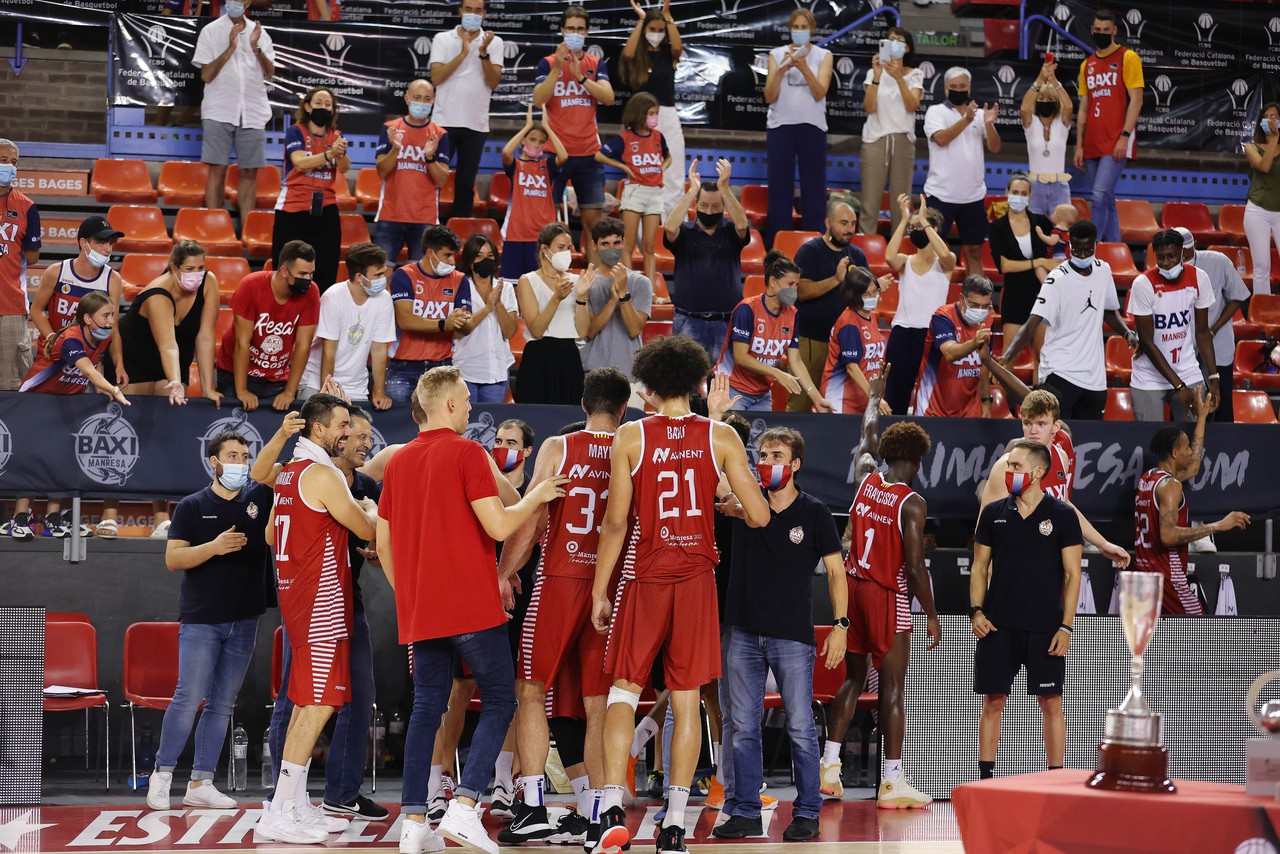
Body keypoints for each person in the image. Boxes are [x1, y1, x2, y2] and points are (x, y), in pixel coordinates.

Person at [590, 334, 770, 854]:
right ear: (696, 382)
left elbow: (615, 522)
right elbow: (759, 515)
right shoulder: (721, 438)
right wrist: (729, 502)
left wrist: (601, 590)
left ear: (646, 384)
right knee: (687, 702)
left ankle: (611, 809)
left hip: (644, 576)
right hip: (695, 580)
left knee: (624, 692)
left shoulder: (630, 436)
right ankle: (673, 824)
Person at [378, 367, 565, 854]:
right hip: (470, 605)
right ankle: (464, 807)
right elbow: (500, 526)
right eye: (464, 399)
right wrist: (538, 497)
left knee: (426, 710)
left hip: (422, 611)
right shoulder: (467, 451)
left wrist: (409, 595)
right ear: (450, 405)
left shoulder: (397, 462)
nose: (468, 407)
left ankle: (414, 822)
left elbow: (383, 544)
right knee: (502, 699)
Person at [495, 368, 632, 846]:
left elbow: (531, 523)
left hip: (559, 580)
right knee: (598, 705)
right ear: (622, 410)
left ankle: (531, 805)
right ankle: (597, 812)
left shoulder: (559, 448)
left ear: (583, 406)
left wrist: (504, 573)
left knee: (530, 691)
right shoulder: (631, 449)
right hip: (608, 588)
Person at [712, 427, 846, 840]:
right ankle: (747, 810)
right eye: (763, 455)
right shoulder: (743, 502)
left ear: (795, 465)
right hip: (742, 631)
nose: (767, 462)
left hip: (791, 634)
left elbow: (837, 573)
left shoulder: (815, 512)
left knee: (802, 726)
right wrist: (715, 420)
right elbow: (718, 484)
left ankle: (807, 811)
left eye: (776, 455)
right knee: (742, 726)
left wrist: (840, 626)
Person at [258, 405, 390, 822]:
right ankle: (282, 810)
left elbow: (268, 532)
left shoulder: (288, 473)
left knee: (305, 705)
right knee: (316, 706)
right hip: (322, 601)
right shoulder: (321, 474)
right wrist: (368, 510)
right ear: (320, 429)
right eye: (344, 426)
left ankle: (293, 803)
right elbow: (368, 530)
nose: (350, 433)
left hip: (299, 598)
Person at [819, 367, 940, 807]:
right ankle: (892, 782)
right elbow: (914, 566)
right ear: (919, 460)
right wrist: (930, 612)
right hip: (887, 595)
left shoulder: (866, 474)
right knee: (891, 690)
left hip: (853, 589)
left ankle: (829, 769)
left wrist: (874, 396)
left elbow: (867, 432)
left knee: (852, 679)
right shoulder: (912, 502)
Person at [145, 431, 271, 813]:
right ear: (214, 462)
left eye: (246, 455)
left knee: (222, 704)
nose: (240, 462)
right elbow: (173, 560)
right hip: (202, 618)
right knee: (188, 697)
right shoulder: (192, 505)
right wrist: (213, 547)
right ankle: (162, 774)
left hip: (245, 618)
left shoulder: (258, 499)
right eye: (232, 455)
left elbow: (279, 468)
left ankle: (201, 782)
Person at [970, 440, 1082, 780]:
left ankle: (1055, 779)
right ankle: (986, 779)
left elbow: (1073, 573)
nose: (1008, 472)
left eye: (1015, 467)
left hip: (1045, 628)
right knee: (993, 702)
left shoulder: (1062, 516)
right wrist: (976, 611)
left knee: (1051, 702)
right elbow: (978, 567)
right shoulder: (992, 514)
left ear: (1037, 473)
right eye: (1008, 466)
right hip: (998, 625)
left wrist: (1065, 627)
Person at [977, 376, 1133, 567]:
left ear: (1056, 427)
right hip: (1015, 566)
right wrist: (988, 582)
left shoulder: (1061, 457)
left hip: (1049, 562)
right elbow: (985, 530)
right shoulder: (1009, 466)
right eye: (1027, 423)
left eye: (1041, 424)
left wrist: (1102, 544)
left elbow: (1065, 505)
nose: (1033, 431)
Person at [1000, 220, 1137, 420]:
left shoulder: (1103, 270)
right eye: (1077, 250)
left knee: (1089, 444)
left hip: (1094, 378)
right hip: (1060, 372)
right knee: (1055, 440)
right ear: (1070, 245)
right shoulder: (1056, 279)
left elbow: (1108, 311)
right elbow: (1031, 324)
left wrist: (1126, 333)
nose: (1082, 255)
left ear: (1096, 246)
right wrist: (1008, 356)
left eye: (1087, 250)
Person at [1137, 396, 1250, 616]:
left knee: (1152, 645)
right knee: (1198, 637)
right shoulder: (1170, 486)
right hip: (1168, 579)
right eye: (1187, 447)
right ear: (1174, 452)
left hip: (1144, 576)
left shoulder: (1148, 478)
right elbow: (1168, 537)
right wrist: (1218, 526)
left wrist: (1202, 419)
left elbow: (1195, 466)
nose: (1190, 452)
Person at [533, 5, 615, 266]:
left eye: (580, 29)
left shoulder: (595, 63)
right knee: (547, 225)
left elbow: (608, 97)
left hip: (590, 152)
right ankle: (546, 280)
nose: (575, 33)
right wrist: (558, 68)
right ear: (562, 30)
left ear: (587, 32)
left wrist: (581, 78)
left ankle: (593, 283)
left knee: (595, 226)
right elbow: (538, 100)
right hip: (554, 152)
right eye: (570, 29)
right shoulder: (547, 63)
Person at [716, 250, 833, 413]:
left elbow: (796, 360)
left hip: (762, 394)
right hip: (732, 389)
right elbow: (741, 357)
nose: (794, 290)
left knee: (763, 439)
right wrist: (776, 373)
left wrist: (817, 398)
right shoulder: (747, 309)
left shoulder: (793, 314)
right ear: (773, 281)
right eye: (790, 284)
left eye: (797, 285)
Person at [111, 239, 220, 409]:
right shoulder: (157, 295)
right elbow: (167, 345)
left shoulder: (208, 282)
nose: (197, 274)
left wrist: (208, 388)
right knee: (132, 417)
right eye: (189, 269)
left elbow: (205, 337)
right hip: (135, 355)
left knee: (171, 413)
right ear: (174, 267)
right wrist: (174, 380)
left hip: (177, 356)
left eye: (201, 268)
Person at [192, 0, 274, 224]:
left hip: (253, 111)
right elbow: (206, 76)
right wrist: (230, 47)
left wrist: (255, 47)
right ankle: (214, 225)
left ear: (247, 2)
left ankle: (248, 229)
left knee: (249, 172)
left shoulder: (260, 31)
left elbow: (270, 71)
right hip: (219, 109)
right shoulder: (211, 31)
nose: (234, 2)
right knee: (217, 169)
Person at [215, 239, 320, 413]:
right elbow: (242, 343)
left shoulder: (311, 292)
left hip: (276, 377)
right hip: (235, 372)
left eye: (311, 274)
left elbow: (303, 345)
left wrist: (289, 392)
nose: (307, 280)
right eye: (302, 274)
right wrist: (242, 390)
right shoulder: (251, 285)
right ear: (284, 271)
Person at [663, 158, 751, 362]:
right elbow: (669, 227)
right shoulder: (684, 232)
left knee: (722, 384)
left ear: (723, 207)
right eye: (704, 205)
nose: (709, 211)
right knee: (683, 385)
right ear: (696, 204)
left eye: (715, 206)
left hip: (726, 320)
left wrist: (725, 188)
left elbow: (742, 225)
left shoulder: (730, 231)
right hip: (688, 320)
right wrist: (693, 189)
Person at [790, 199, 872, 412]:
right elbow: (801, 292)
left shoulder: (858, 255)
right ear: (828, 222)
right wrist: (836, 279)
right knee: (803, 401)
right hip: (814, 340)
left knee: (839, 403)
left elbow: (862, 297)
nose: (849, 229)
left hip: (847, 344)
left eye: (853, 224)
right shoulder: (810, 251)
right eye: (843, 223)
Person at [1129, 228, 1217, 422]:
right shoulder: (1143, 284)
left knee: (1195, 440)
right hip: (1149, 377)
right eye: (1161, 258)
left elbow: (1202, 333)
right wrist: (1179, 386)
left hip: (1188, 370)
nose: (1166, 263)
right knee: (1151, 444)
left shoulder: (1199, 278)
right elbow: (1147, 342)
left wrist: (1214, 378)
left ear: (1183, 254)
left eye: (1171, 256)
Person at [762, 8, 833, 242]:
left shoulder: (824, 55)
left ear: (812, 30)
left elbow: (820, 91)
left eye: (804, 27)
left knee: (814, 188)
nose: (800, 31)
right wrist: (782, 69)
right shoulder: (776, 54)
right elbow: (769, 96)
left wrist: (803, 66)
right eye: (796, 27)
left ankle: (815, 242)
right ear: (790, 29)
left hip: (812, 126)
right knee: (779, 188)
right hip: (781, 126)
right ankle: (778, 242)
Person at [1074, 8, 1143, 245]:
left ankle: (1091, 248)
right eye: (1097, 30)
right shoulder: (1087, 65)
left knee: (1099, 195)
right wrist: (1079, 146)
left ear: (1114, 30)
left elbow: (1137, 100)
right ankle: (1114, 250)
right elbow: (1083, 107)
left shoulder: (1128, 57)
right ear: (1092, 31)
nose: (1101, 34)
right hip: (1092, 140)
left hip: (1116, 138)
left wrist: (1125, 136)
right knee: (1107, 199)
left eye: (1106, 30)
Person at [298, 242, 395, 410]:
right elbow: (329, 351)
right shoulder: (333, 297)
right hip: (317, 381)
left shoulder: (385, 299)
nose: (383, 279)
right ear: (359, 277)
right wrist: (326, 395)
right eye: (377, 275)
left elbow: (379, 349)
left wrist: (379, 391)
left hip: (356, 385)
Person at [881, 195, 955, 414]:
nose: (915, 231)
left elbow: (944, 253)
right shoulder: (905, 261)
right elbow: (888, 256)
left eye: (919, 226)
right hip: (902, 332)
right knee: (895, 393)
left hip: (931, 336)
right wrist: (905, 219)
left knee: (928, 394)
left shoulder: (945, 262)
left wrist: (924, 222)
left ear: (933, 229)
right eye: (912, 228)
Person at [923, 68, 999, 276]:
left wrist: (990, 125)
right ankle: (932, 301)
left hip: (972, 196)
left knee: (974, 251)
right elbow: (941, 139)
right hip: (940, 195)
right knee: (934, 252)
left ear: (970, 88)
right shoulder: (935, 112)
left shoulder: (981, 115)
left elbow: (995, 147)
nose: (958, 90)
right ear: (946, 89)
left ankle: (977, 302)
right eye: (954, 87)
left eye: (963, 86)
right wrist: (966, 119)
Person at [431, 0, 503, 220]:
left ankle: (458, 233)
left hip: (476, 124)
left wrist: (482, 52)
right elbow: (436, 78)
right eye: (468, 9)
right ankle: (428, 227)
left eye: (478, 11)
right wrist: (463, 53)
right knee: (433, 179)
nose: (473, 14)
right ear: (460, 11)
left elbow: (493, 82)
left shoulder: (495, 42)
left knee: (465, 183)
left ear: (485, 14)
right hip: (443, 121)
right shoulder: (442, 39)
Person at [273, 87, 348, 292]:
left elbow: (344, 168)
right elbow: (299, 163)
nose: (323, 107)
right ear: (307, 106)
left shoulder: (336, 135)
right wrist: (328, 154)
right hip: (293, 205)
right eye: (318, 103)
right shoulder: (295, 131)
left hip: (326, 206)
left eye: (328, 104)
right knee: (287, 266)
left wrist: (340, 153)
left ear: (333, 110)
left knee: (326, 267)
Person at [1171, 227, 1250, 423]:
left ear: (1194, 246)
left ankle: (1225, 450)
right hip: (1183, 347)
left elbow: (1238, 296)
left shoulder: (1218, 261)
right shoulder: (1169, 269)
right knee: (1186, 406)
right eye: (1179, 255)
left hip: (1217, 342)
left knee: (1222, 404)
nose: (1184, 259)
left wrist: (1213, 330)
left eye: (1187, 254)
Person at [387, 225, 471, 405]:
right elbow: (405, 320)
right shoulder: (403, 275)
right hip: (404, 365)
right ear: (430, 252)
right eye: (447, 255)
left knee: (440, 424)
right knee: (399, 425)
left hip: (443, 364)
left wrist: (461, 322)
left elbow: (463, 327)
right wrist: (443, 324)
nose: (452, 261)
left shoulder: (460, 279)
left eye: (454, 255)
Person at [595, 92, 670, 286]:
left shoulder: (658, 137)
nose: (654, 117)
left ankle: (651, 290)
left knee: (649, 246)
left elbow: (668, 157)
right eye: (651, 113)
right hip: (635, 191)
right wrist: (624, 167)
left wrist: (661, 168)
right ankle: (628, 287)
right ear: (639, 113)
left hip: (655, 192)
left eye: (656, 113)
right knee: (627, 245)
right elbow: (599, 155)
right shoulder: (625, 138)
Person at [374, 78, 451, 266]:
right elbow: (382, 171)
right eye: (417, 98)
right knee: (380, 273)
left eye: (427, 99)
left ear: (433, 101)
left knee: (420, 276)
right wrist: (395, 149)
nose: (422, 103)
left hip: (424, 217)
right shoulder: (390, 128)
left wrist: (430, 158)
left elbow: (441, 179)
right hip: (391, 214)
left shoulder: (440, 134)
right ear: (407, 99)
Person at [618, 0, 684, 215]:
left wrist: (668, 16)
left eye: (660, 30)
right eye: (652, 29)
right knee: (642, 170)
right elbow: (627, 54)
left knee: (672, 171)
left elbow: (677, 47)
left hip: (667, 114)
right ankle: (642, 222)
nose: (656, 33)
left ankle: (671, 224)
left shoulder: (668, 54)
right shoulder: (636, 56)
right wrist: (641, 20)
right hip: (640, 118)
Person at [575, 217, 653, 389]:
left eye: (616, 242)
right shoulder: (586, 283)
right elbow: (589, 331)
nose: (612, 249)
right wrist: (612, 301)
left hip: (630, 373)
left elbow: (634, 329)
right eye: (605, 244)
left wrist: (624, 294)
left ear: (624, 243)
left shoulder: (641, 282)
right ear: (594, 246)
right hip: (593, 372)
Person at [859, 28, 922, 236]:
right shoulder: (873, 73)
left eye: (899, 40)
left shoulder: (915, 74)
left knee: (900, 204)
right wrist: (877, 77)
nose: (894, 43)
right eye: (890, 40)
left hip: (903, 141)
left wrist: (898, 77)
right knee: (870, 202)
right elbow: (869, 106)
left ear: (907, 47)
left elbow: (912, 105)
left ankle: (900, 251)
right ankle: (865, 250)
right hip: (876, 140)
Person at [515, 223, 585, 405]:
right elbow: (536, 330)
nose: (566, 253)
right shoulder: (528, 280)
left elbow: (583, 331)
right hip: (538, 358)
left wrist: (582, 297)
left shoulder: (577, 281)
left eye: (569, 248)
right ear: (545, 249)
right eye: (561, 247)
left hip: (569, 357)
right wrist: (556, 298)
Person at [500, 105, 569, 282]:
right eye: (532, 139)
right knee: (513, 285)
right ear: (523, 140)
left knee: (541, 284)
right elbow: (506, 152)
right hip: (516, 233)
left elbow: (564, 156)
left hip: (543, 237)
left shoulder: (547, 165)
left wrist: (547, 127)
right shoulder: (515, 165)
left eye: (541, 141)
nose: (537, 144)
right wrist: (526, 126)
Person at [988, 173, 1056, 352]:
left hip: (1043, 295)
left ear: (1030, 195)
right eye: (1015, 192)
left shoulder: (1042, 222)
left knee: (1042, 357)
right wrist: (1039, 261)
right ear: (1007, 192)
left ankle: (1040, 383)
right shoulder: (998, 227)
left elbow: (1059, 252)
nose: (1019, 196)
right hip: (1014, 295)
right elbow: (1004, 266)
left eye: (1023, 193)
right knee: (1009, 355)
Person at [914, 274, 994, 418]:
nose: (980, 311)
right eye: (974, 305)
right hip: (932, 408)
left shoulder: (988, 320)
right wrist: (974, 342)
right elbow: (950, 353)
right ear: (961, 298)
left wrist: (986, 401)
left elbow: (984, 365)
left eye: (985, 306)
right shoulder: (943, 317)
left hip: (970, 410)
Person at [454, 234, 518, 404]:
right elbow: (457, 333)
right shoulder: (459, 287)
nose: (485, 260)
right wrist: (487, 307)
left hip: (496, 372)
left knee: (490, 425)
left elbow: (510, 332)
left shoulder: (506, 289)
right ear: (469, 260)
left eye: (490, 256)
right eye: (479, 256)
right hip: (464, 370)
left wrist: (497, 303)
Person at [0, 139, 40, 391]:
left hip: (11, 305)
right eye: (4, 160)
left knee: (10, 384)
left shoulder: (27, 207)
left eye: (14, 162)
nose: (9, 167)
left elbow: (33, 256)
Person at [821, 266, 888, 414]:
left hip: (862, 397)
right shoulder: (849, 323)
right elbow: (851, 367)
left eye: (875, 292)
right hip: (841, 398)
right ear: (854, 295)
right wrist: (874, 397)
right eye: (867, 294)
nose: (872, 297)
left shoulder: (871, 316)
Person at [1021, 59, 1073, 217]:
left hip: (1060, 187)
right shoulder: (1031, 124)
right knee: (1036, 232)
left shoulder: (1062, 124)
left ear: (1056, 103)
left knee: (1062, 232)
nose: (1046, 102)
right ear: (1036, 102)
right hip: (1035, 187)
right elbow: (1024, 108)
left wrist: (1054, 81)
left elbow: (1069, 107)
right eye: (1041, 99)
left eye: (1050, 99)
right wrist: (1039, 78)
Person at [1243, 101, 1280, 297]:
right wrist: (1274, 138)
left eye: (1274, 116)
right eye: (1266, 117)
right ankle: (1263, 310)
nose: (1270, 120)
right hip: (1258, 210)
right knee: (1261, 266)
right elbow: (1265, 166)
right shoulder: (1252, 148)